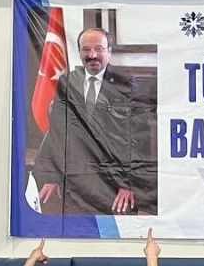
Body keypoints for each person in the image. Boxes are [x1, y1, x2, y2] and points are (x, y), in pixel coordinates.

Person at [32, 25, 155, 216]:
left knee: (113, 234)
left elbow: (140, 140)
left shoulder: (128, 85)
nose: (92, 55)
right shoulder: (68, 82)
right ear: (79, 52)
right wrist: (52, 176)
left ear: (109, 51)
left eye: (99, 49)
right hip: (75, 184)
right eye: (86, 49)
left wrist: (129, 184)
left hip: (114, 188)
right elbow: (58, 133)